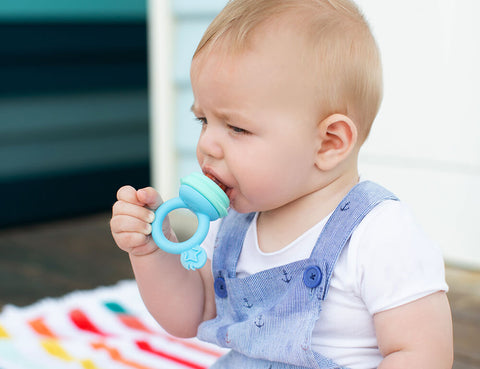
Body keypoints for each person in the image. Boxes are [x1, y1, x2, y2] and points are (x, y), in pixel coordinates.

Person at [110, 0, 453, 368]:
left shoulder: (379, 233)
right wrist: (152, 253)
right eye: (203, 121)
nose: (207, 144)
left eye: (237, 127)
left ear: (329, 143)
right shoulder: (233, 226)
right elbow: (189, 316)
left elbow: (424, 354)